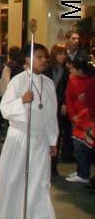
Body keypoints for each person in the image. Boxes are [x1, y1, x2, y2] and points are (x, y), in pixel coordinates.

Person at [0, 43, 58, 219]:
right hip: (20, 138)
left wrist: (52, 139)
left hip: (40, 140)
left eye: (45, 57)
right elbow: (5, 109)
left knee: (40, 181)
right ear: (28, 59)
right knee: (15, 180)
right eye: (39, 57)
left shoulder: (48, 84)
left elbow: (51, 114)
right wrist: (22, 101)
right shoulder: (18, 81)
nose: (43, 61)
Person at [44, 44, 71, 176]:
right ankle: (44, 164)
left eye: (64, 54)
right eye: (60, 53)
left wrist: (65, 103)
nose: (62, 56)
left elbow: (67, 90)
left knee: (56, 133)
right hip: (45, 104)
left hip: (58, 105)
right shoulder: (47, 68)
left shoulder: (66, 71)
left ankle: (53, 166)